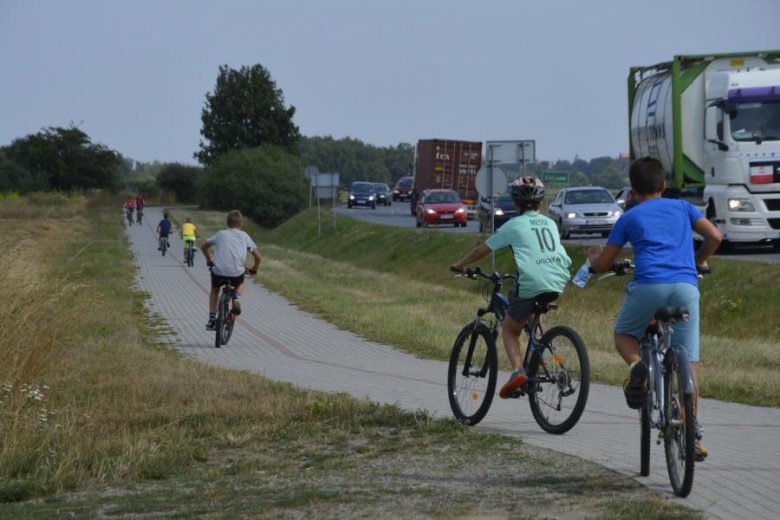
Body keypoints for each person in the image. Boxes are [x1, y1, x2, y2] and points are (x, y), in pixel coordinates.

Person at [587, 156, 722, 460]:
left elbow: (604, 262)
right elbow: (715, 236)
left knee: (624, 334)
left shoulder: (629, 217)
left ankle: (638, 366)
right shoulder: (684, 208)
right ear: (664, 185)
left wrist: (593, 260)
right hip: (686, 289)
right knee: (689, 361)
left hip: (649, 286)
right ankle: (691, 431)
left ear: (632, 191)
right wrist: (698, 260)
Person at [451, 177, 572, 399]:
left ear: (515, 204)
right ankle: (544, 357)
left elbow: (481, 251)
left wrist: (460, 265)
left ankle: (518, 371)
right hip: (557, 280)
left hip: (531, 281)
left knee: (509, 329)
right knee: (531, 315)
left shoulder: (514, 225)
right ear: (540, 205)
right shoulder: (550, 223)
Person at [201, 210, 262, 330]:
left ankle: (211, 319)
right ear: (241, 224)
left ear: (227, 223)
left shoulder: (220, 234)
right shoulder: (244, 236)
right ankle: (237, 297)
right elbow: (258, 257)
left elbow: (204, 247)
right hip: (236, 273)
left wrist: (209, 259)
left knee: (214, 290)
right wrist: (254, 269)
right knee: (240, 283)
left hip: (218, 271)